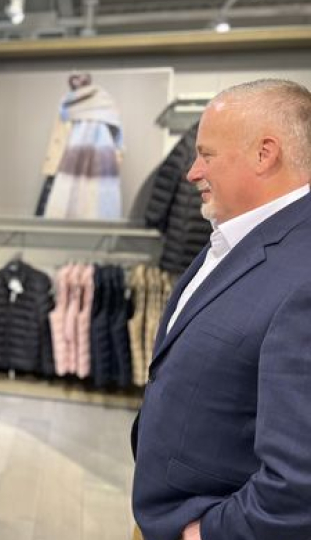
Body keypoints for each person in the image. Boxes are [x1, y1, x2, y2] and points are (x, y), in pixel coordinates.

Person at [131, 79, 311, 540]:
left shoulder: (303, 272)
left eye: (206, 155)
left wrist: (207, 533)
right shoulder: (237, 235)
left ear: (264, 153)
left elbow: (300, 481)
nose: (192, 172)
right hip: (170, 508)